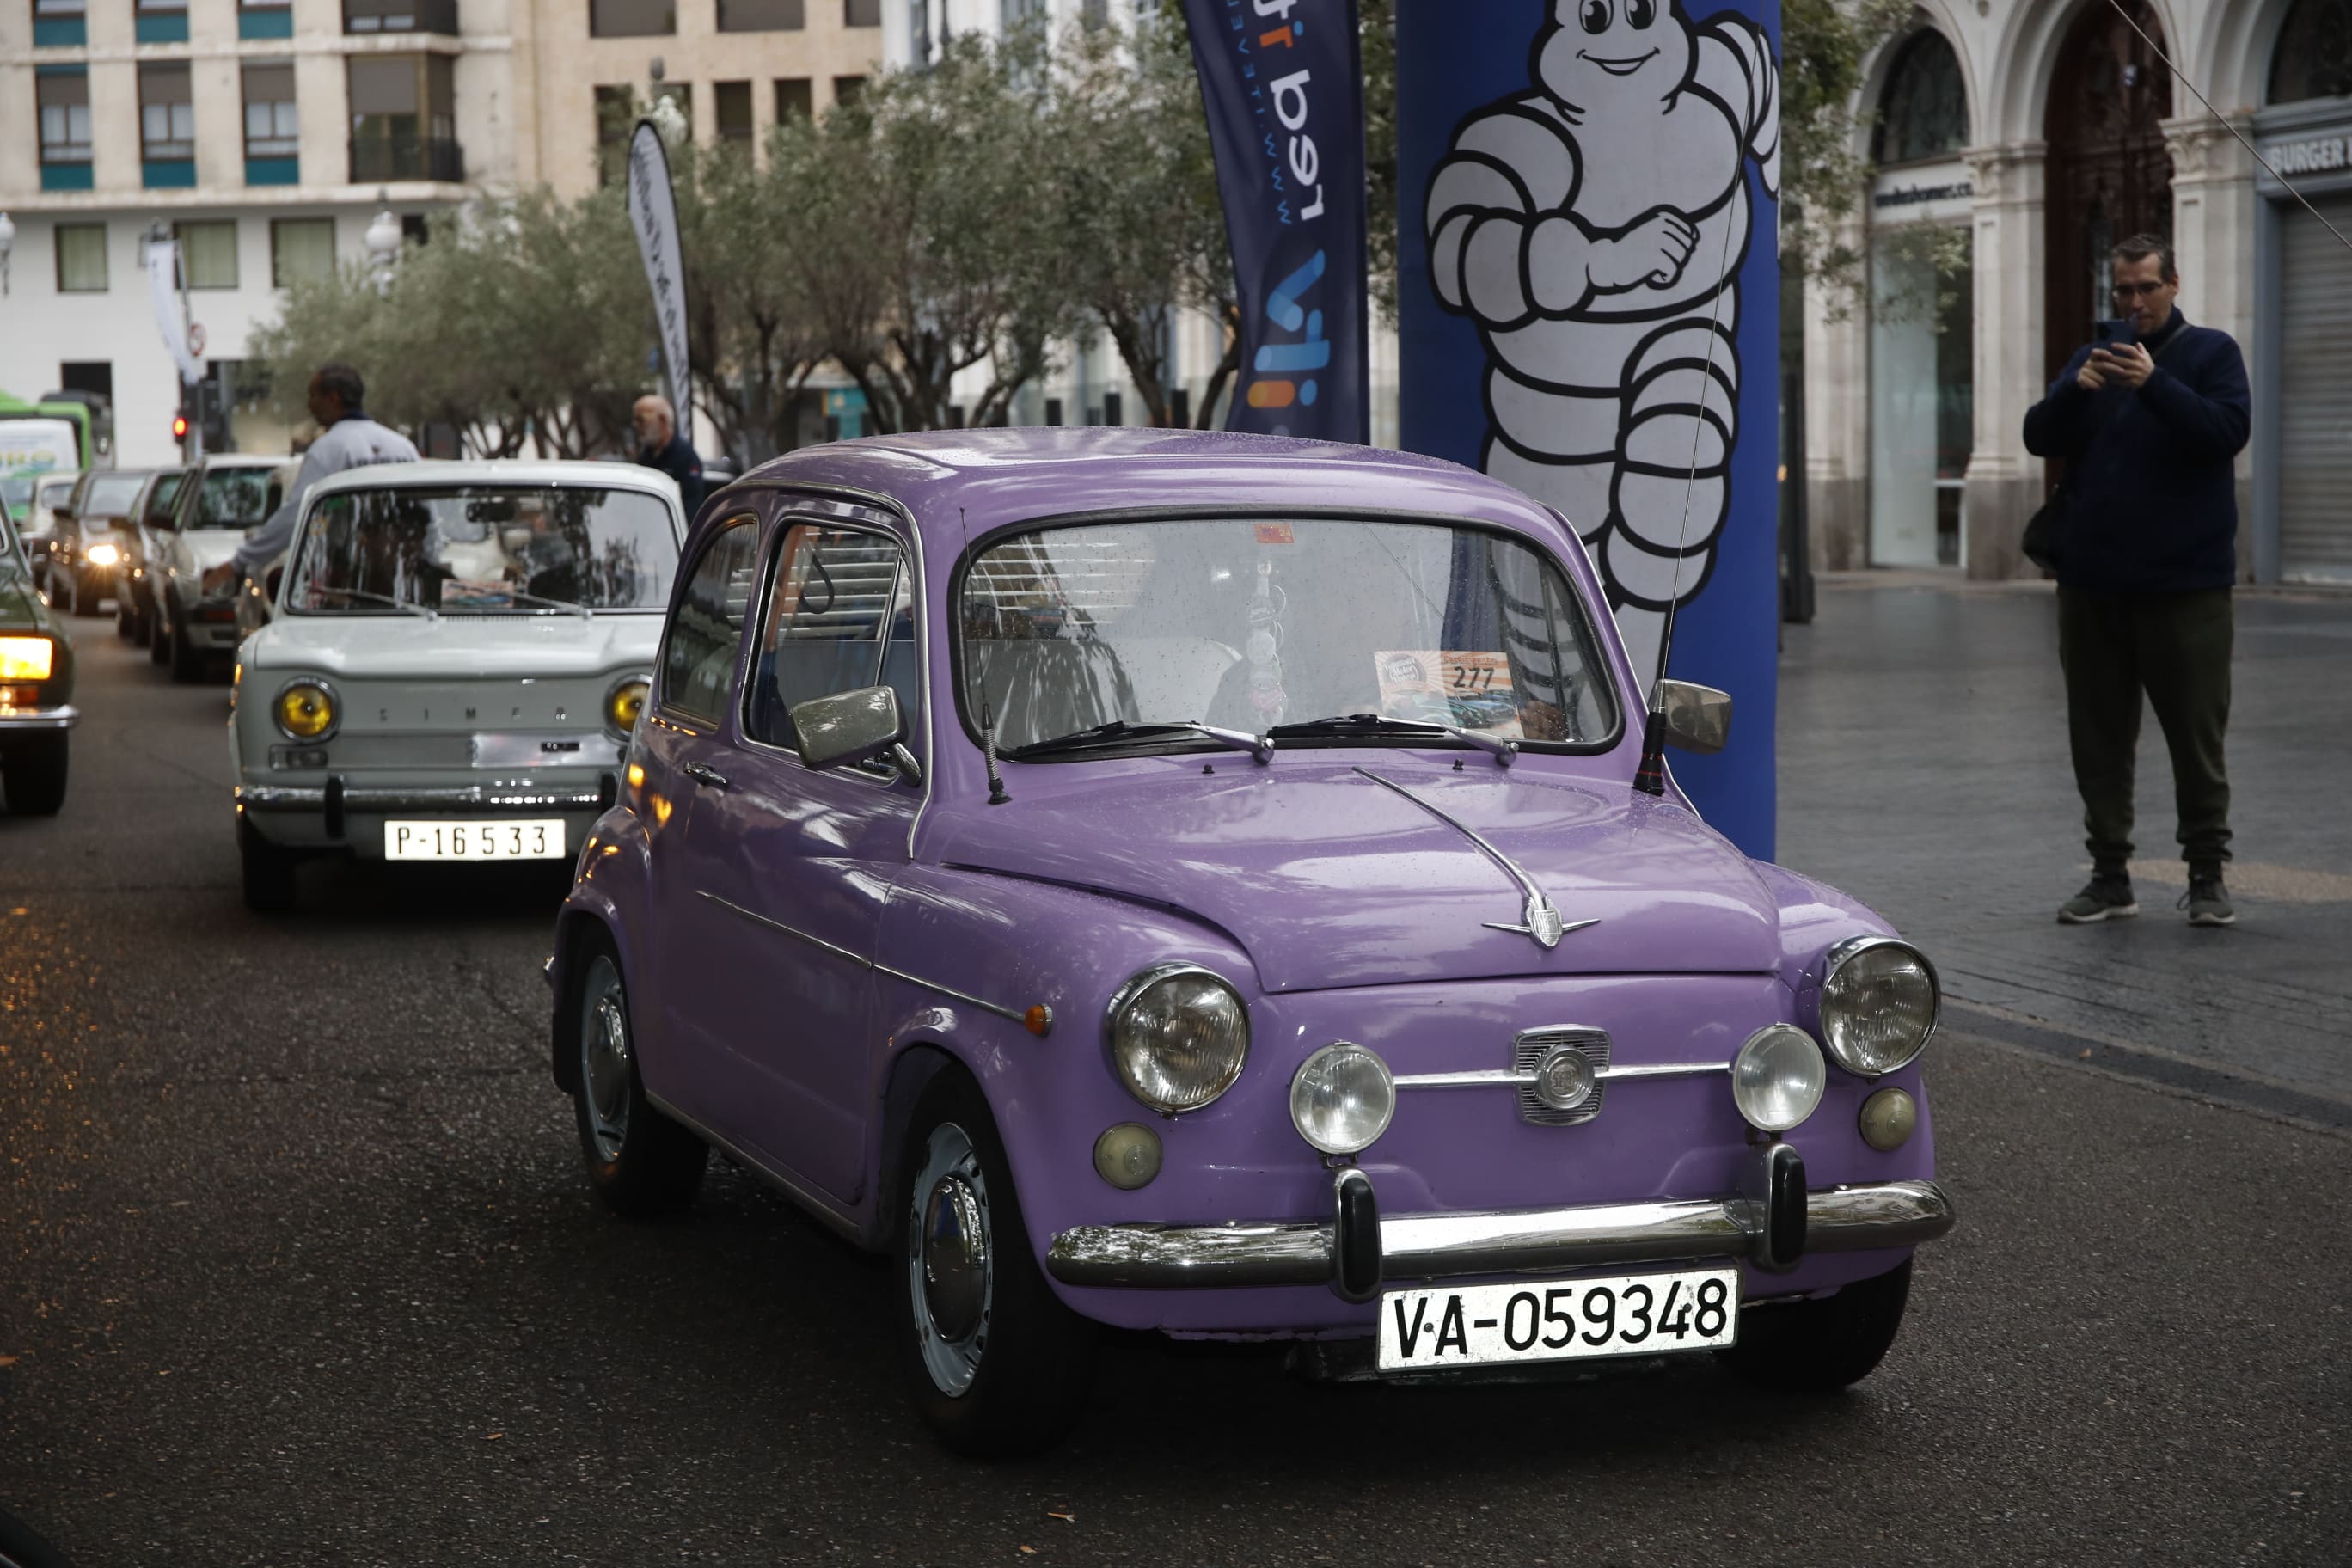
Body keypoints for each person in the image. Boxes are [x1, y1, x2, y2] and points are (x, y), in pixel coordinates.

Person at [2022, 235, 2251, 928]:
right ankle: (2110, 875)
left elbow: (2224, 432)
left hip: (2186, 588)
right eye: (2123, 290)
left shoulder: (2211, 354)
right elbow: (2038, 437)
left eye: (2147, 287)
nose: (2134, 302)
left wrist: (2154, 382)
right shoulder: (2089, 362)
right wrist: (2072, 389)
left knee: (2195, 739)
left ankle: (2207, 875)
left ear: (2173, 284)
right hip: (2092, 585)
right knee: (2097, 738)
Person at [202, 363, 418, 595]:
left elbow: (296, 515)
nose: (309, 404)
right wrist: (426, 561)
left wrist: (238, 563)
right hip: (404, 582)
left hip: (345, 584)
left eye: (313, 395)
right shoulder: (403, 448)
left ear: (333, 398)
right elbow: (427, 514)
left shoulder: (327, 450)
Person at [633, 395, 705, 518]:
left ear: (662, 420)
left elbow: (692, 505)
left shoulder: (685, 456)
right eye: (635, 420)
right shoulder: (645, 456)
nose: (636, 425)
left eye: (641, 419)